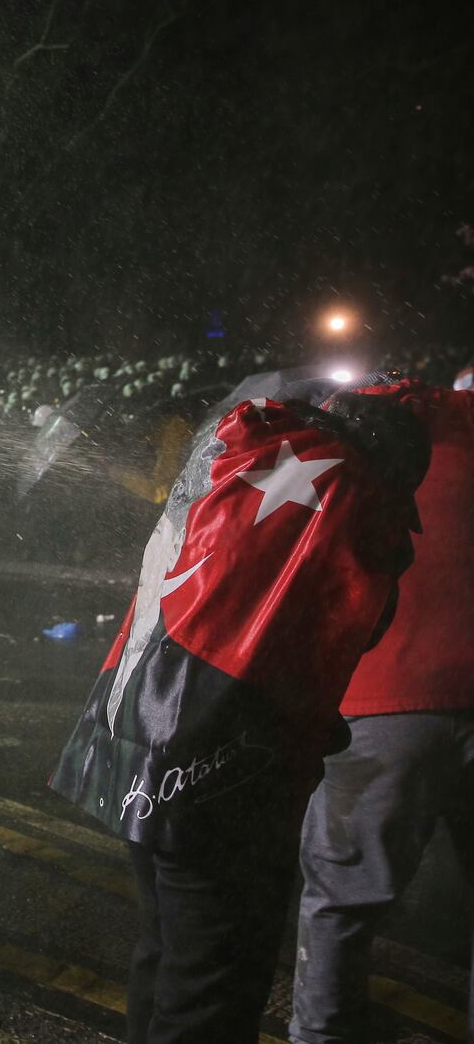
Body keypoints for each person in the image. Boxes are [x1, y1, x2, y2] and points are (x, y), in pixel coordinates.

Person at [50, 388, 429, 1044]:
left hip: (131, 731)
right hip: (228, 767)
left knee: (164, 952)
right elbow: (361, 625)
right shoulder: (362, 493)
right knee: (212, 994)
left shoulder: (240, 439)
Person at [289, 379, 474, 1044]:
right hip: (418, 694)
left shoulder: (391, 418)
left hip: (386, 697)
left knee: (343, 902)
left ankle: (322, 1035)